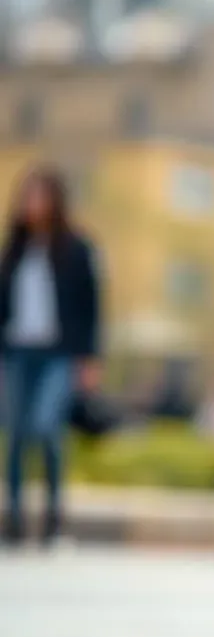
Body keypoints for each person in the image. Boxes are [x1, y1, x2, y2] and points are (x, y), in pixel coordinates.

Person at [0, 167, 101, 545]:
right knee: (14, 434)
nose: (32, 204)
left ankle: (53, 519)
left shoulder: (76, 248)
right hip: (16, 350)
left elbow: (91, 306)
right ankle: (13, 520)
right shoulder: (14, 249)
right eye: (27, 196)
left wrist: (90, 358)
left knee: (47, 428)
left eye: (40, 196)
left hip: (59, 353)